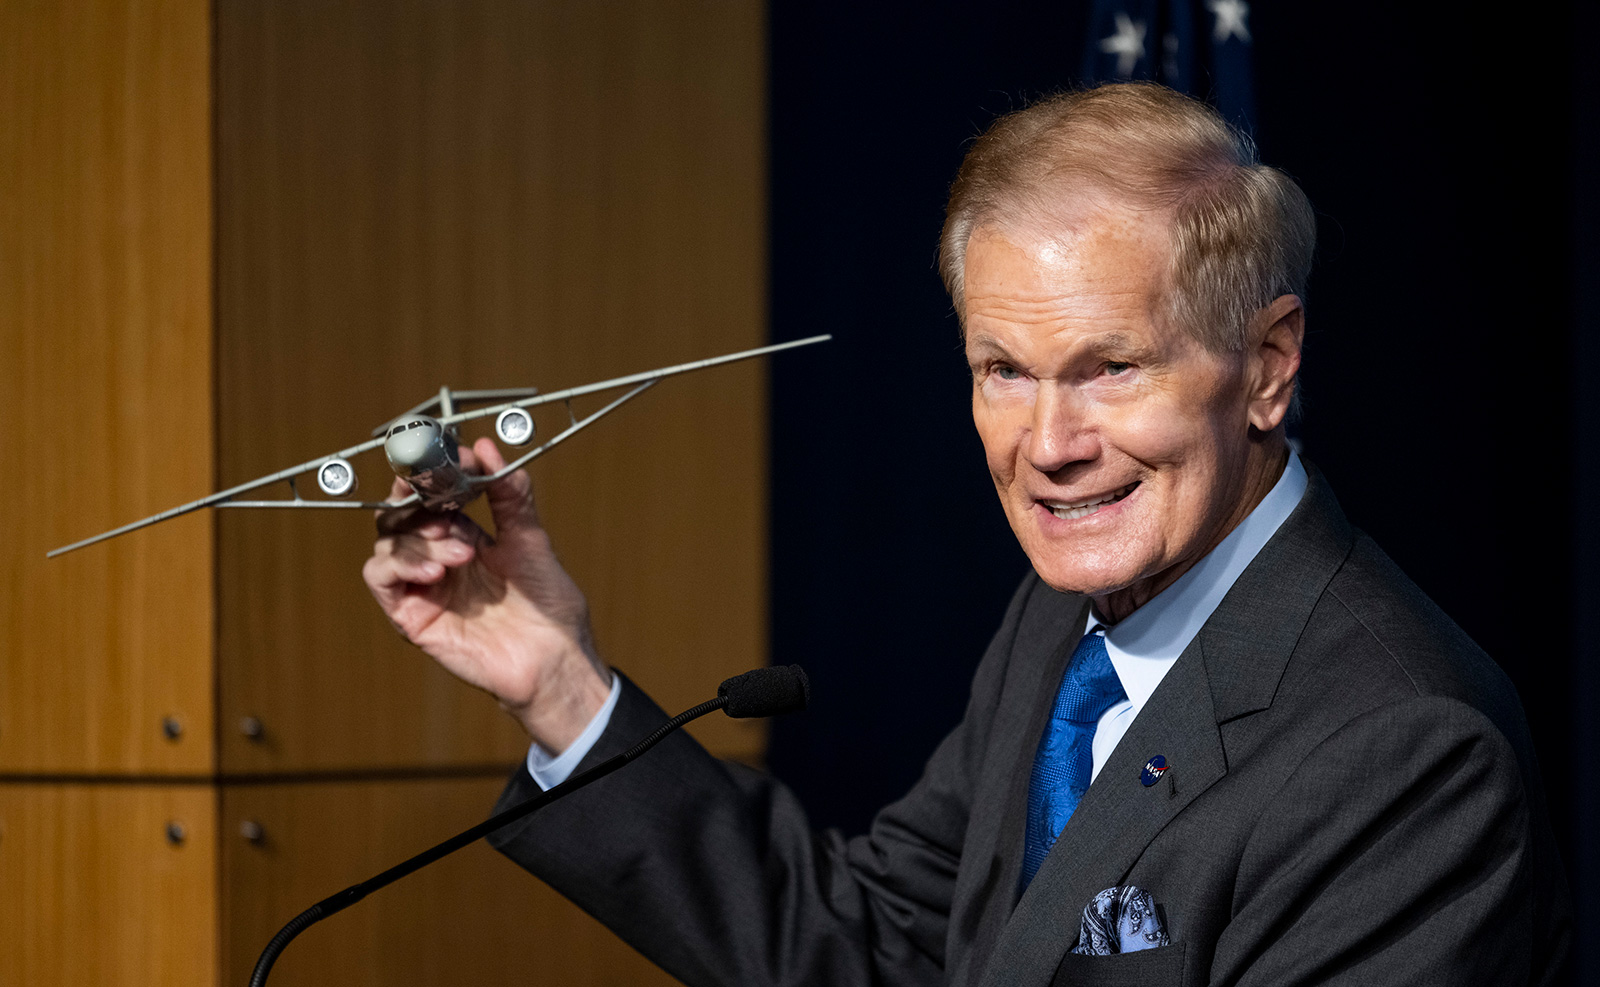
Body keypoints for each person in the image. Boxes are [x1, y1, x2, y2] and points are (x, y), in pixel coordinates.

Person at [362, 82, 1571, 985]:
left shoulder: (1409, 749)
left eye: (1109, 368)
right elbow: (876, 948)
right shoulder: (1067, 620)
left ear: (1265, 367)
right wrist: (562, 687)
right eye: (1002, 369)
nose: (1048, 443)